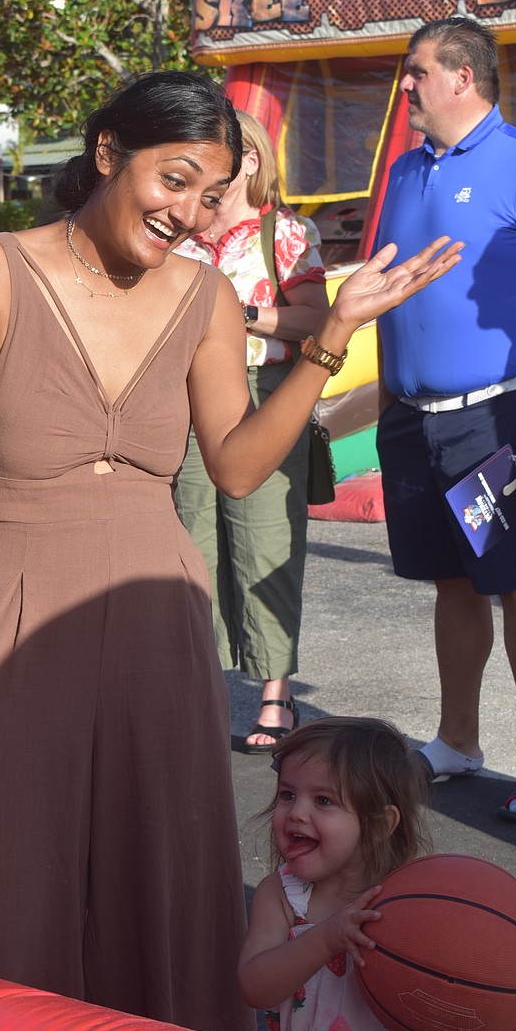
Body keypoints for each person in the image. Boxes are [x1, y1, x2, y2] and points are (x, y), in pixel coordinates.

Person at [0, 72, 461, 1031]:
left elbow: (238, 467)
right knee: (5, 879)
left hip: (160, 615)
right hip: (14, 608)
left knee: (159, 875)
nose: (190, 214)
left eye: (211, 195)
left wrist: (332, 334)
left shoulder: (203, 295)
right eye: (176, 180)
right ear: (109, 151)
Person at [375, 16, 516, 823]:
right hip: (412, 419)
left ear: (462, 77)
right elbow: (387, 289)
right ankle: (457, 739)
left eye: (416, 72)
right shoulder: (407, 173)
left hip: (498, 416)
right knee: (451, 581)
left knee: (515, 582)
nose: (404, 86)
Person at [238, 717, 516, 1031]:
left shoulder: (415, 901)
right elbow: (255, 987)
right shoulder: (282, 896)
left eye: (323, 800)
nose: (296, 812)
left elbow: (462, 979)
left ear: (379, 824)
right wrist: (326, 938)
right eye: (287, 794)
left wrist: (509, 1010)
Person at [174, 110, 329, 750]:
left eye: (221, 151)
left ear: (252, 162)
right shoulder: (177, 232)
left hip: (267, 396)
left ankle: (276, 695)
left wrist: (237, 314)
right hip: (185, 402)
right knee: (190, 547)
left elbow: (316, 321)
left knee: (266, 544)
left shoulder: (287, 233)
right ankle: (196, 686)